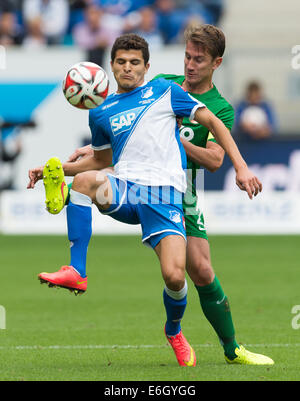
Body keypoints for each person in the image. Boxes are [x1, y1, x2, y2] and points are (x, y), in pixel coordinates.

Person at [27, 33, 264, 367]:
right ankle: (76, 269)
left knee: (187, 273)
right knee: (83, 181)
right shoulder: (156, 86)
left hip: (179, 191)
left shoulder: (213, 106)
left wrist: (232, 164)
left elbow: (213, 160)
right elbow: (113, 145)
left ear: (216, 64)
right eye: (187, 56)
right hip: (130, 186)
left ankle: (219, 343)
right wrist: (60, 167)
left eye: (198, 60)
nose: (190, 64)